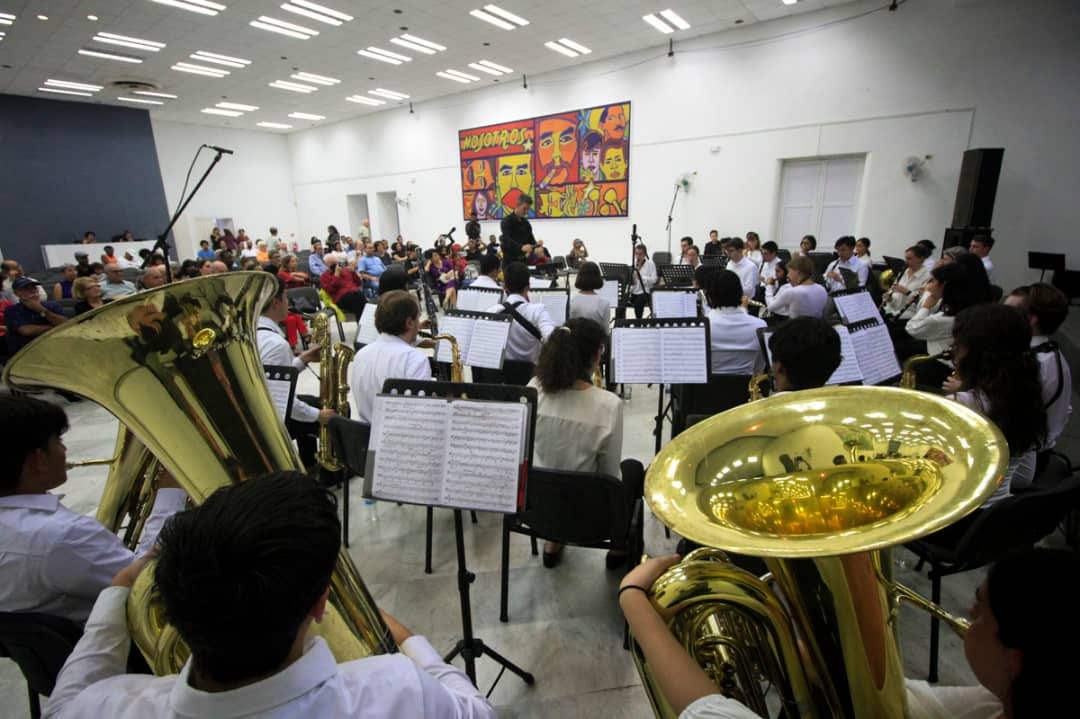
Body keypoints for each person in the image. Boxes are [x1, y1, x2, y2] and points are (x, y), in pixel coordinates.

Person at [45, 472, 496, 719]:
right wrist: (409, 639)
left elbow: (67, 699)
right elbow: (478, 712)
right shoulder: (394, 688)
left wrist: (119, 589)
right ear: (322, 603)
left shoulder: (107, 706)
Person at [621, 546, 1080, 719]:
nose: (965, 614)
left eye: (979, 611)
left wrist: (633, 600)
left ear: (1016, 658)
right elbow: (903, 705)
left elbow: (711, 714)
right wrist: (802, 655)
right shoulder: (996, 705)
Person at [0, 396, 185, 625]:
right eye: (58, 440)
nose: (65, 448)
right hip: (127, 647)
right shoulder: (63, 537)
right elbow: (150, 582)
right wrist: (173, 488)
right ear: (38, 460)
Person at [528, 318, 642, 568]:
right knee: (633, 469)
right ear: (593, 356)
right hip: (590, 516)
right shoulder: (609, 405)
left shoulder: (533, 389)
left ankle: (552, 542)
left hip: (537, 509)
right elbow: (610, 475)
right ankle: (618, 547)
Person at [942, 303, 1045, 499]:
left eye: (958, 343)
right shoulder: (1027, 393)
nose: (953, 348)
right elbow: (1024, 477)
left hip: (960, 511)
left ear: (977, 352)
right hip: (998, 516)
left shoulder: (962, 404)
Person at [258, 277, 334, 470]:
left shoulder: (256, 331)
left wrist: (304, 358)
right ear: (276, 302)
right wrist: (319, 415)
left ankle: (309, 462)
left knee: (308, 399)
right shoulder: (276, 344)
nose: (288, 304)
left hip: (263, 409)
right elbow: (283, 402)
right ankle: (330, 470)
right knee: (335, 412)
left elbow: (276, 377)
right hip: (272, 420)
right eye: (285, 298)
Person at [1004, 284, 1072, 461]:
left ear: (1031, 320)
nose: (1000, 316)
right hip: (1034, 448)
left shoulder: (1031, 365)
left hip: (1023, 457)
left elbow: (1005, 418)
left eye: (1007, 311)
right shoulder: (1051, 353)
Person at [350, 291, 432, 423]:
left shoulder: (361, 354)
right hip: (400, 438)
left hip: (365, 437)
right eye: (418, 317)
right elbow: (419, 413)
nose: (419, 323)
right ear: (409, 323)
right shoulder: (414, 358)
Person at [905, 261, 989, 383]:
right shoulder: (966, 309)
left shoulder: (943, 320)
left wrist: (926, 306)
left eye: (932, 281)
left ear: (944, 286)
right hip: (949, 362)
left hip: (939, 368)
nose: (928, 286)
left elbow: (913, 328)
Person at [484, 262, 555, 385]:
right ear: (528, 287)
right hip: (533, 379)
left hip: (502, 381)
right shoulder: (537, 310)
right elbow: (552, 338)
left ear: (505, 287)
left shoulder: (492, 312)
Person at [703, 270, 767, 375]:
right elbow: (759, 369)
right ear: (740, 293)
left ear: (709, 297)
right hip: (746, 389)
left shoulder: (702, 327)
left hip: (708, 389)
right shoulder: (760, 326)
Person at [4, 277, 66, 353]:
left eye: (34, 287)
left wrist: (42, 310)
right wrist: (55, 327)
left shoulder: (52, 305)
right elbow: (26, 331)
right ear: (17, 293)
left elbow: (65, 324)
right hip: (27, 352)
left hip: (55, 346)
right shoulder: (11, 310)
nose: (32, 290)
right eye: (26, 288)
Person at [764, 255, 827, 319]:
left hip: (796, 327)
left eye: (789, 272)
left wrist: (769, 286)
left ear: (797, 272)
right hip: (816, 326)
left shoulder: (793, 291)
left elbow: (770, 307)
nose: (787, 275)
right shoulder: (821, 289)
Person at [883, 244, 932, 321]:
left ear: (921, 259)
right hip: (892, 310)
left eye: (909, 259)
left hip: (908, 315)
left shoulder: (928, 277)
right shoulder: (904, 271)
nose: (906, 261)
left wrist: (907, 292)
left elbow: (923, 302)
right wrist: (889, 299)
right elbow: (895, 293)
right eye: (906, 258)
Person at [320, 253, 367, 318]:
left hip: (356, 293)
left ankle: (365, 323)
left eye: (336, 263)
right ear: (326, 265)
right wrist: (336, 275)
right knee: (358, 305)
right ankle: (362, 324)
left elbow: (358, 283)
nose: (336, 265)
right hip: (341, 298)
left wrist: (353, 272)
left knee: (366, 304)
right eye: (333, 264)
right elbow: (330, 290)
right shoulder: (324, 277)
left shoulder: (346, 270)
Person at [569, 262, 610, 330]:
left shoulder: (571, 300)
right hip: (595, 339)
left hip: (574, 339)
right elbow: (605, 331)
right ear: (597, 278)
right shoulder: (604, 303)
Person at [499, 194, 535, 266]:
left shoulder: (526, 223)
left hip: (524, 262)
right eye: (524, 208)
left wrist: (536, 247)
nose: (526, 212)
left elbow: (531, 240)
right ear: (517, 205)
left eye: (528, 209)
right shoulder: (506, 221)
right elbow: (506, 239)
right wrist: (521, 247)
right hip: (510, 263)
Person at [629, 243, 657, 319]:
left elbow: (654, 279)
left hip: (645, 292)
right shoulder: (633, 264)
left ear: (645, 254)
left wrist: (641, 277)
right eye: (636, 254)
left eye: (640, 254)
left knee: (638, 302)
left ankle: (638, 322)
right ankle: (620, 323)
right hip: (633, 291)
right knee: (621, 302)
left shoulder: (650, 264)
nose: (638, 256)